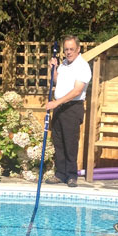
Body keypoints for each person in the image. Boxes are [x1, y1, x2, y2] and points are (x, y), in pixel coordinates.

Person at [45, 36, 92, 187]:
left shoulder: (82, 66)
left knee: (70, 142)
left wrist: (56, 102)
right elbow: (56, 81)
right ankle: (60, 174)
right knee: (58, 141)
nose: (69, 52)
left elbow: (77, 90)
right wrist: (52, 68)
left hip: (72, 108)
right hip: (59, 107)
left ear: (78, 49)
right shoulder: (64, 64)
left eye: (72, 49)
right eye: (66, 49)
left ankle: (72, 175)